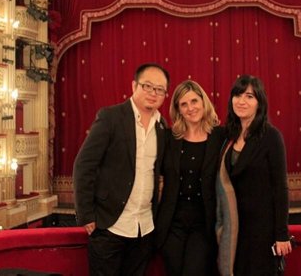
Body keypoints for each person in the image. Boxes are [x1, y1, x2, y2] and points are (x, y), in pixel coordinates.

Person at [73, 63, 170, 276]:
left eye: (160, 89)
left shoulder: (162, 126)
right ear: (134, 85)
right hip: (109, 225)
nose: (154, 93)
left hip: (144, 227)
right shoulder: (111, 117)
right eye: (147, 86)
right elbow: (84, 165)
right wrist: (86, 215)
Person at [216, 74, 291, 275]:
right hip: (234, 227)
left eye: (249, 96)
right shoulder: (227, 136)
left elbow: (280, 188)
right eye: (237, 95)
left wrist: (282, 234)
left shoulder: (271, 136)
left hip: (262, 228)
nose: (241, 101)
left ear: (260, 102)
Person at [156, 80, 224, 276]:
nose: (190, 108)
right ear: (178, 109)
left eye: (194, 101)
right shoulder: (168, 138)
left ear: (204, 102)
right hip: (172, 223)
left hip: (204, 222)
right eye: (183, 104)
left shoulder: (220, 136)